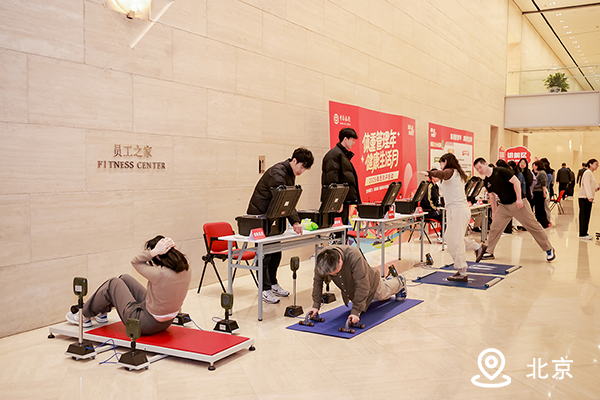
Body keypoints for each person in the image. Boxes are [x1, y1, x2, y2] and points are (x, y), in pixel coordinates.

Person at [66, 236, 191, 335]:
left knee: (113, 283)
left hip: (144, 324)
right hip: (165, 322)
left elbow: (135, 261)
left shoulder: (160, 273)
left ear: (157, 256)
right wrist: (172, 249)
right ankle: (101, 313)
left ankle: (83, 316)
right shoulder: (187, 268)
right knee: (124, 278)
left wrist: (153, 252)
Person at [247, 147, 314, 304]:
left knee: (276, 252)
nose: (302, 171)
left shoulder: (289, 173)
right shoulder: (278, 173)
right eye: (302, 167)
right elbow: (283, 199)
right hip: (260, 216)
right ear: (294, 161)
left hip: (272, 216)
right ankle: (264, 289)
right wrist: (295, 221)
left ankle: (273, 284)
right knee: (265, 254)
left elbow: (287, 200)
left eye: (305, 169)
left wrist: (294, 220)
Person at [473, 158, 555, 262]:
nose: (479, 170)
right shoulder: (486, 181)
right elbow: (492, 196)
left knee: (533, 226)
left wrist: (519, 198)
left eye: (480, 167)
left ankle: (549, 249)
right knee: (495, 228)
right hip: (504, 206)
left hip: (518, 203)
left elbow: (516, 182)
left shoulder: (501, 171)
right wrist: (494, 212)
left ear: (486, 163)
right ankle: (489, 251)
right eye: (477, 169)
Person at [419, 153, 483, 282]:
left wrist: (429, 173)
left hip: (458, 210)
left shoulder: (451, 172)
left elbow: (443, 174)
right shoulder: (456, 173)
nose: (441, 165)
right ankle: (477, 247)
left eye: (442, 162)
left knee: (457, 240)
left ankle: (462, 271)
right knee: (449, 238)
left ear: (447, 161)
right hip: (454, 210)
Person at [307, 245, 407, 324]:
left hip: (370, 281)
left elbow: (363, 285)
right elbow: (317, 281)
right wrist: (316, 305)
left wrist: (356, 311)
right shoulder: (322, 261)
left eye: (335, 272)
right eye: (331, 274)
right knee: (364, 299)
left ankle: (399, 281)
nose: (334, 275)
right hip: (352, 286)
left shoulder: (354, 256)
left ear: (340, 260)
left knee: (383, 294)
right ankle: (388, 281)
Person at [321, 128, 361, 225]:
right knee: (338, 229)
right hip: (338, 202)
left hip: (344, 200)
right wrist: (337, 202)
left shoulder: (342, 155)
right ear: (345, 139)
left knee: (344, 229)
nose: (354, 143)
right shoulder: (334, 155)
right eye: (352, 140)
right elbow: (332, 181)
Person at [578, 159, 599, 240]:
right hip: (584, 198)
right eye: (596, 164)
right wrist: (590, 196)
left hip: (587, 197)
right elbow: (586, 185)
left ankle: (585, 233)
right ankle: (582, 234)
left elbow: (590, 186)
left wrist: (595, 189)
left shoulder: (590, 173)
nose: (597, 166)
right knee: (584, 216)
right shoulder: (587, 172)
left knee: (587, 216)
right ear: (590, 164)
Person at [531, 161, 549, 229]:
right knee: (538, 208)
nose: (533, 167)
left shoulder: (541, 173)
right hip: (536, 192)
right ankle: (540, 222)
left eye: (534, 165)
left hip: (539, 192)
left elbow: (543, 184)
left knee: (540, 208)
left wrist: (544, 193)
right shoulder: (539, 172)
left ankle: (543, 223)